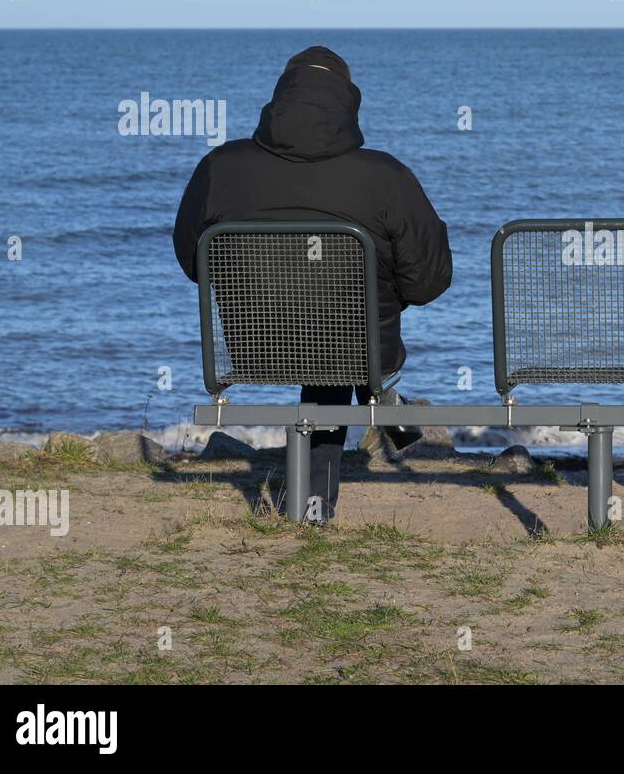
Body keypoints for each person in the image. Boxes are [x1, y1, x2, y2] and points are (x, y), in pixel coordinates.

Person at [173, 46, 453, 520]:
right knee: (341, 336)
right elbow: (428, 281)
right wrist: (380, 295)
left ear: (279, 97)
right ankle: (366, 415)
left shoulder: (220, 167)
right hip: (359, 346)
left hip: (257, 344)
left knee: (323, 338)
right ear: (348, 103)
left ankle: (313, 501)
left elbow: (193, 261)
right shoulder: (385, 176)